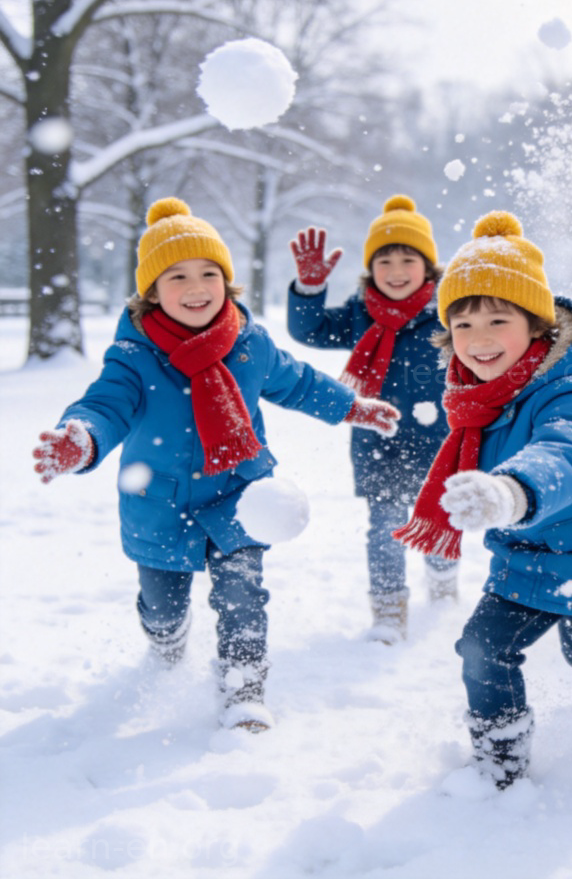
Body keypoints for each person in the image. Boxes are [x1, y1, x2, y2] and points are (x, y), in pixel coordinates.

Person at [32, 197, 399, 733]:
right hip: (160, 504)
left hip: (239, 494)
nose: (197, 286)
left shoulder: (247, 343)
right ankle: (165, 636)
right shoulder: (134, 357)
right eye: (177, 276)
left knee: (243, 593)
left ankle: (243, 689)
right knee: (163, 608)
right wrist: (81, 439)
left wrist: (351, 405)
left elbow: (296, 381)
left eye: (209, 272)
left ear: (227, 282)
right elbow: (104, 406)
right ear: (152, 292)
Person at [394, 209, 572, 790]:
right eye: (463, 325)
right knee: (482, 649)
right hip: (529, 551)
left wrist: (510, 490)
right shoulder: (477, 400)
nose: (480, 339)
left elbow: (566, 452)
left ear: (537, 328)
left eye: (498, 320)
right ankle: (499, 762)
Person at [287, 195, 457, 643]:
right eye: (385, 260)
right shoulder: (360, 313)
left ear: (428, 267)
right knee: (386, 525)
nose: (396, 270)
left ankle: (443, 575)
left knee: (440, 520)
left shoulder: (450, 312)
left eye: (408, 258)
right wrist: (308, 290)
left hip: (440, 438)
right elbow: (310, 331)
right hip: (378, 440)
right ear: (370, 269)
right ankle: (388, 611)